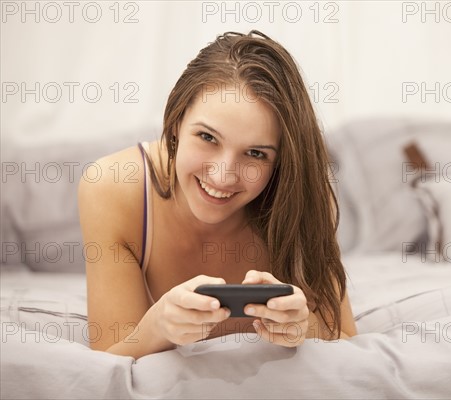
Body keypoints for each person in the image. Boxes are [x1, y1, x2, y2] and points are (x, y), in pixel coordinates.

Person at [78, 30, 357, 359]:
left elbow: (344, 335)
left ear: (281, 162)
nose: (223, 175)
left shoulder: (302, 193)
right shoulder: (112, 187)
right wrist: (157, 328)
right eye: (207, 137)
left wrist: (303, 328)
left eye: (256, 153)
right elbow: (107, 357)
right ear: (177, 120)